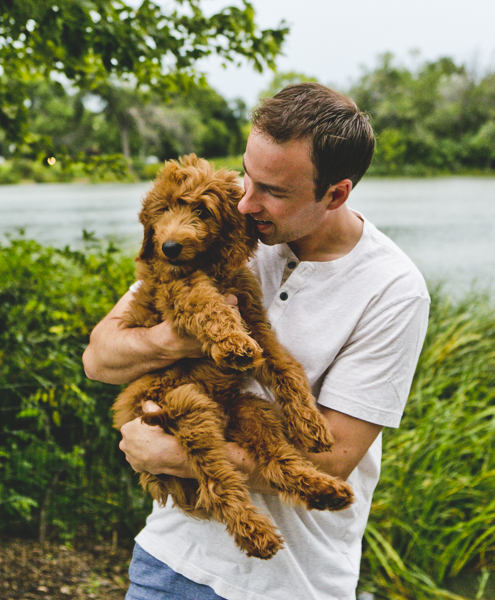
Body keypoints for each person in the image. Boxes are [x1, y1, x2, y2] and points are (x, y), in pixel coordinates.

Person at [82, 82, 430, 600]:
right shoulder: (223, 230)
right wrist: (178, 339)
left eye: (274, 191)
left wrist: (177, 455)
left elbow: (333, 459)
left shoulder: (393, 290)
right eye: (248, 174)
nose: (246, 202)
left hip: (291, 584)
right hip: (167, 563)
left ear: (336, 193)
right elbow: (100, 356)